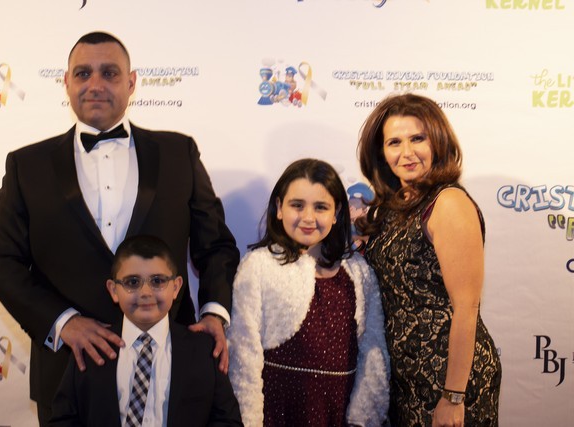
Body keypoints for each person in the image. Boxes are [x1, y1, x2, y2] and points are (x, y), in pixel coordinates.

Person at [0, 31, 239, 425]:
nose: (95, 84)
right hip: (70, 369)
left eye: (110, 73)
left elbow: (216, 245)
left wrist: (215, 313)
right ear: (66, 83)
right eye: (83, 73)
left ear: (131, 82)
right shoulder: (26, 165)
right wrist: (63, 322)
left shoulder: (178, 152)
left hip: (175, 368)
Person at [356, 93, 501, 427]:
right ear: (381, 153)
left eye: (417, 138)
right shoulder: (393, 207)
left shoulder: (448, 203)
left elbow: (466, 307)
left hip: (448, 380)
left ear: (437, 141)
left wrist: (454, 396)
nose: (406, 152)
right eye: (394, 142)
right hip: (405, 379)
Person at [227, 158, 389, 427]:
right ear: (279, 208)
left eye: (321, 207)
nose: (308, 217)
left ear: (337, 212)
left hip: (338, 411)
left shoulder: (358, 272)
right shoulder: (258, 266)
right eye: (297, 205)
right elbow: (243, 355)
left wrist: (363, 419)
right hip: (278, 411)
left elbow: (373, 351)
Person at [50, 235, 243, 427]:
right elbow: (63, 420)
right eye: (132, 282)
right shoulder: (90, 347)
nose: (145, 293)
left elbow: (228, 420)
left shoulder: (203, 349)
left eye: (157, 281)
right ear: (114, 290)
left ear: (176, 287)